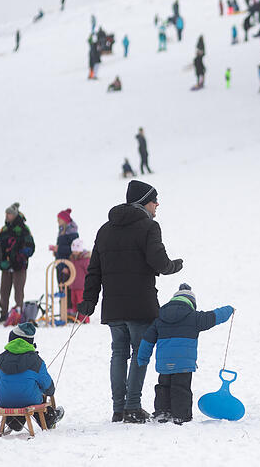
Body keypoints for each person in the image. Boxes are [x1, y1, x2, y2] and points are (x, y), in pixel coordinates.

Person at [76, 180, 183, 423]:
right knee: (139, 353)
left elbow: (94, 270)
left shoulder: (105, 229)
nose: (157, 204)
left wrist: (89, 301)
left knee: (118, 353)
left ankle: (118, 408)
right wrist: (173, 266)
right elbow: (159, 261)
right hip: (140, 303)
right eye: (155, 200)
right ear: (144, 201)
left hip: (113, 306)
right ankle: (132, 406)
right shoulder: (149, 227)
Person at [137, 285, 233, 424]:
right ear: (191, 303)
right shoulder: (194, 317)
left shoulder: (159, 319)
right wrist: (229, 309)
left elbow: (147, 340)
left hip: (164, 364)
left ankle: (162, 413)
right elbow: (214, 316)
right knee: (181, 388)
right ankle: (181, 415)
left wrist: (143, 359)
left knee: (163, 386)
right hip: (184, 364)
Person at [0, 322, 64, 431]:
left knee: (17, 393)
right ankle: (48, 419)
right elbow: (47, 385)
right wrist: (49, 390)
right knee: (33, 396)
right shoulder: (36, 361)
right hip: (29, 399)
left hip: (3, 400)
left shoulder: (2, 359)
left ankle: (14, 422)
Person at [0, 203, 35, 324]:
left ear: (14, 215)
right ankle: (3, 314)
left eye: (9, 214)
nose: (7, 216)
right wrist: (1, 259)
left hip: (19, 266)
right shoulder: (4, 229)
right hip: (6, 265)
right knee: (4, 291)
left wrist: (20, 256)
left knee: (19, 291)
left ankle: (18, 315)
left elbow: (31, 246)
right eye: (6, 214)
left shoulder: (24, 229)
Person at [62, 238, 91, 319]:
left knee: (80, 301)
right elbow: (72, 271)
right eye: (73, 250)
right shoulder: (72, 259)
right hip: (73, 285)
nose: (75, 252)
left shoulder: (85, 260)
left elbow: (88, 271)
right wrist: (67, 271)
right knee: (74, 301)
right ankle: (76, 317)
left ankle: (83, 318)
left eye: (76, 250)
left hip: (81, 285)